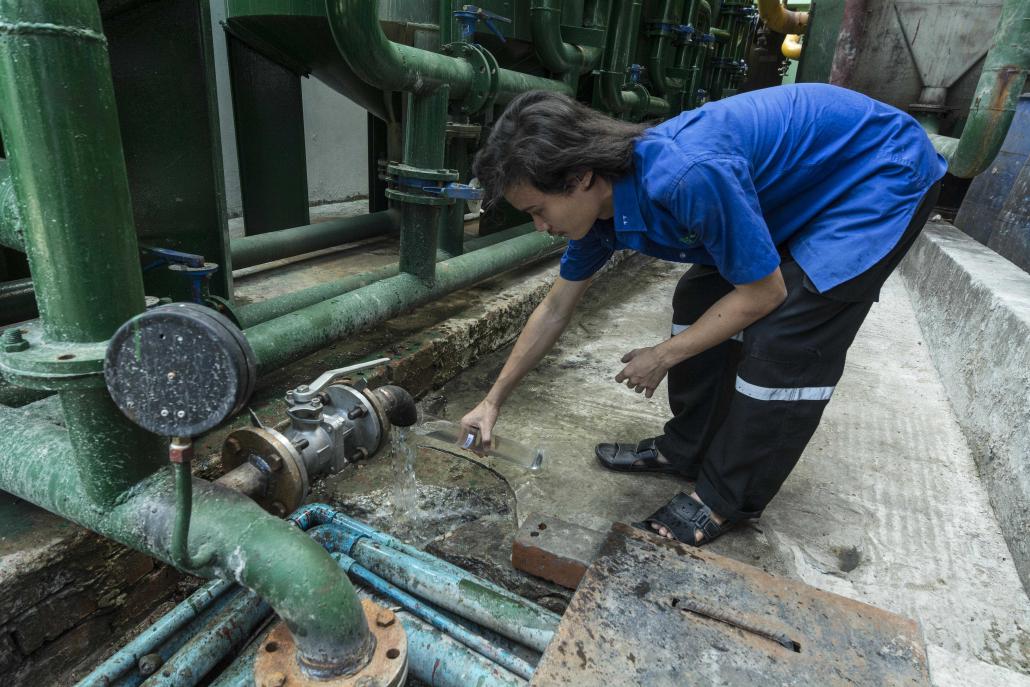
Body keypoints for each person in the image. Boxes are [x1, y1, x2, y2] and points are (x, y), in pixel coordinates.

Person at [459, 83, 946, 546]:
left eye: (538, 210)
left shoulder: (685, 176)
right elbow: (555, 308)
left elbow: (762, 295)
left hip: (879, 170)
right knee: (698, 299)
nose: (541, 226)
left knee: (788, 336)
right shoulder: (599, 214)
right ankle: (688, 446)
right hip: (807, 182)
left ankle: (726, 499)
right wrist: (493, 400)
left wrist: (663, 356)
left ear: (581, 176)